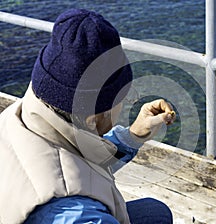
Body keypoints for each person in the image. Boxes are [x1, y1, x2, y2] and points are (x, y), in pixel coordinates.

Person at [0, 9, 176, 224]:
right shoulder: (78, 214)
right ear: (93, 118)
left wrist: (133, 137)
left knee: (154, 213)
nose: (129, 101)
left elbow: (72, 159)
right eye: (124, 96)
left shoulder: (19, 116)